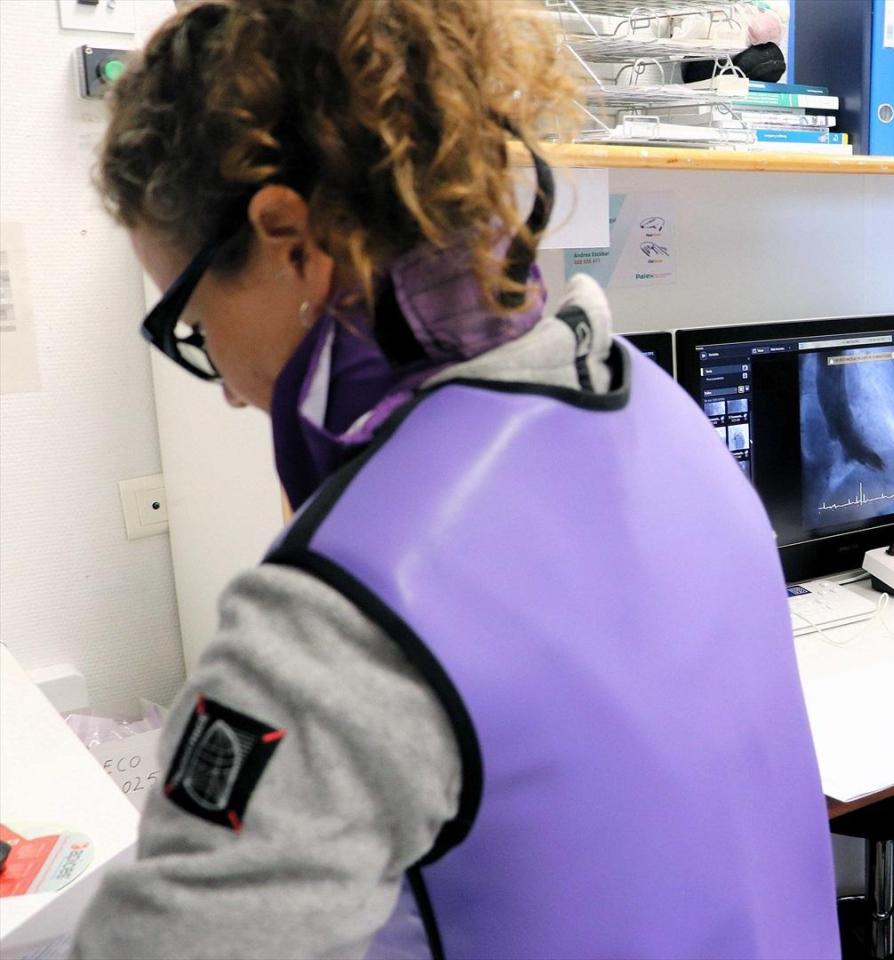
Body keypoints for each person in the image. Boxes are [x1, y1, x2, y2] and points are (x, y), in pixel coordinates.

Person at [72, 2, 837, 957]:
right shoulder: (653, 406)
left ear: (287, 237)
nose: (224, 386)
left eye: (192, 321)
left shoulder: (339, 611)